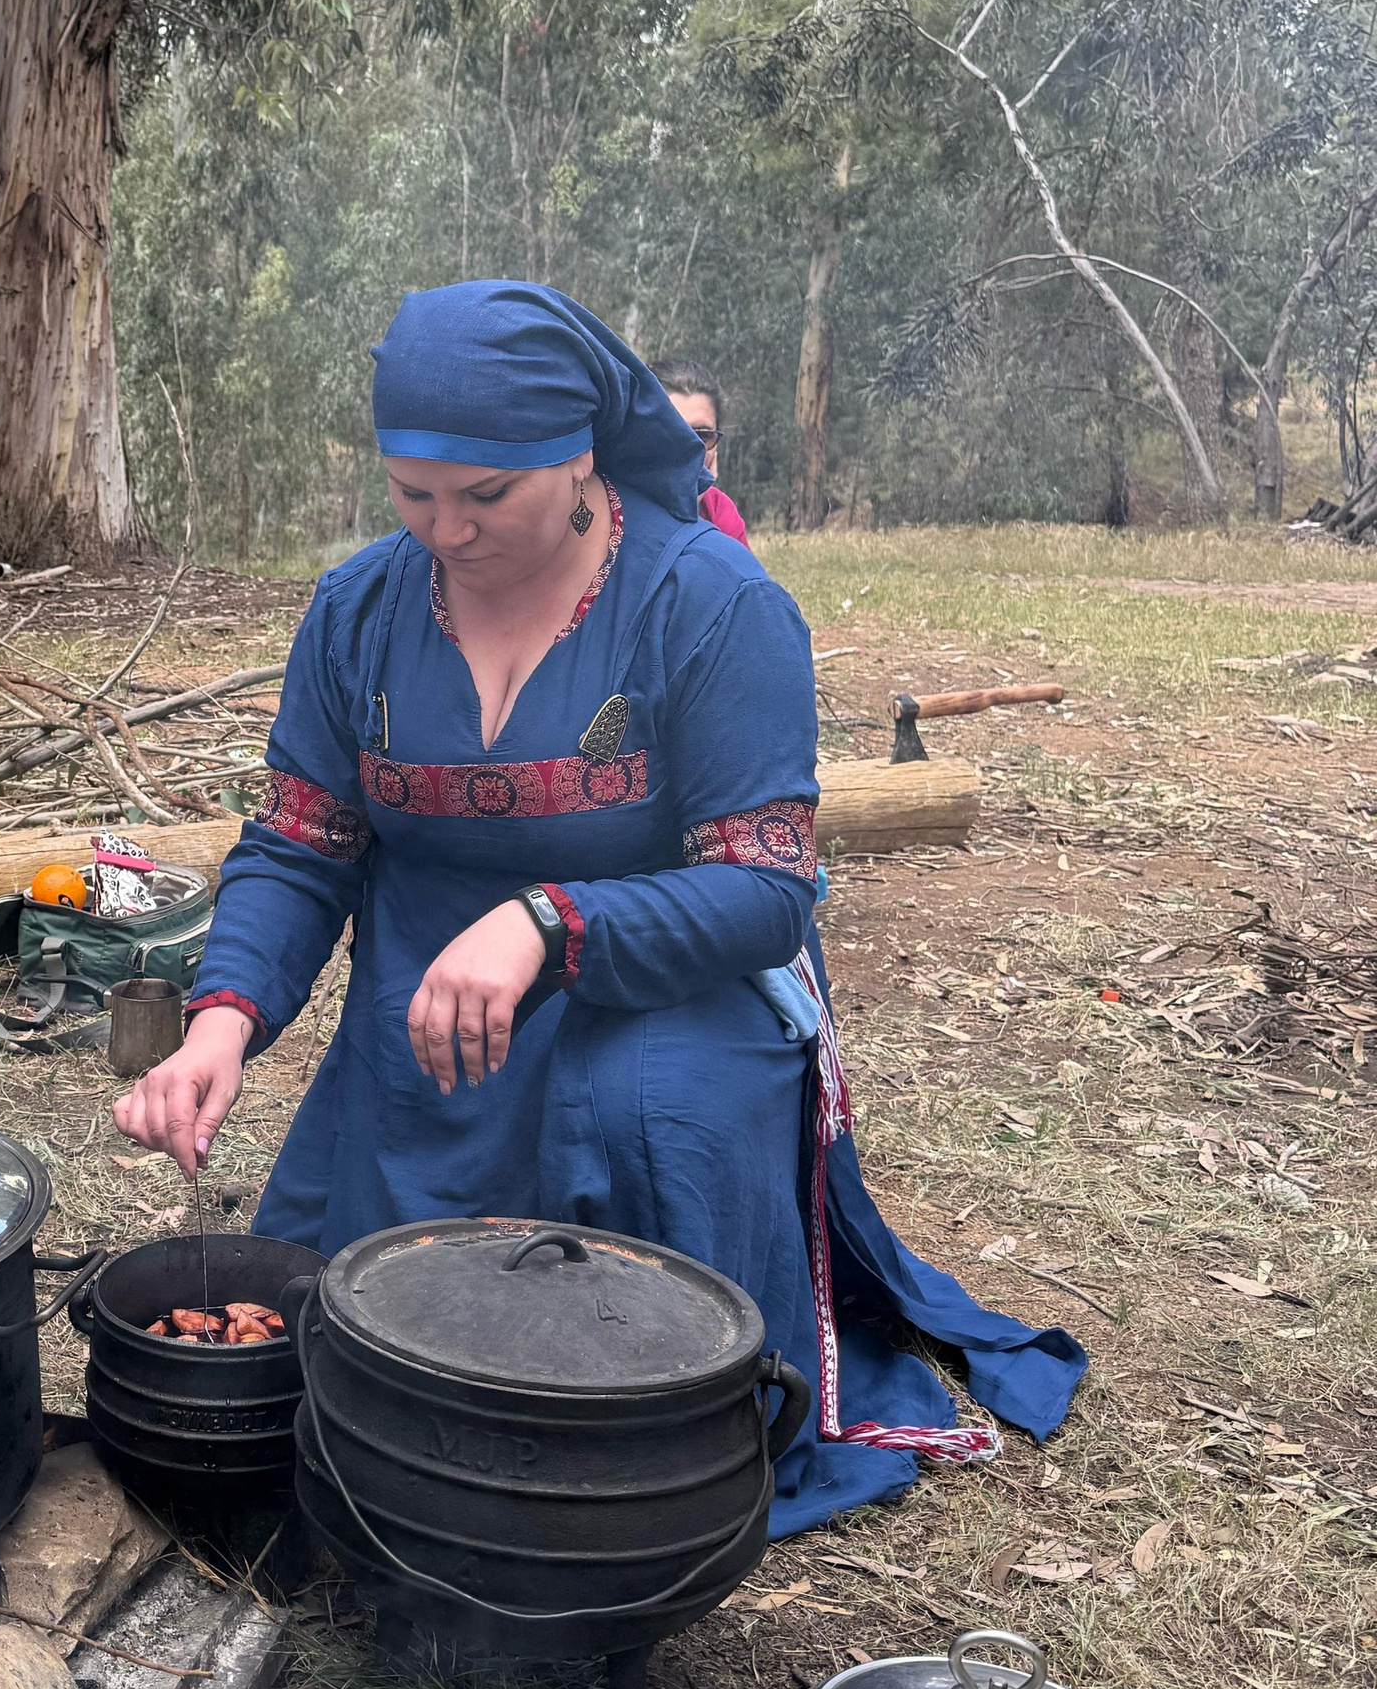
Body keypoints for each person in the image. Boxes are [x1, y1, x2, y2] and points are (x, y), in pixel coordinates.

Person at [115, 280, 1081, 1534]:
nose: (445, 531)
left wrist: (549, 921)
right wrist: (219, 1024)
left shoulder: (711, 602)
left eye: (484, 495)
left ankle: (664, 1418)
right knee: (328, 1328)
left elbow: (763, 889)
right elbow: (300, 848)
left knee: (638, 1117)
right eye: (412, 495)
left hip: (674, 988)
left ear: (576, 456)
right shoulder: (357, 609)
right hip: (433, 1002)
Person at [651, 354, 750, 546]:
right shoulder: (612, 508)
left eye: (703, 435)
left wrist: (694, 502)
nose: (690, 448)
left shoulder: (718, 510)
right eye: (674, 432)